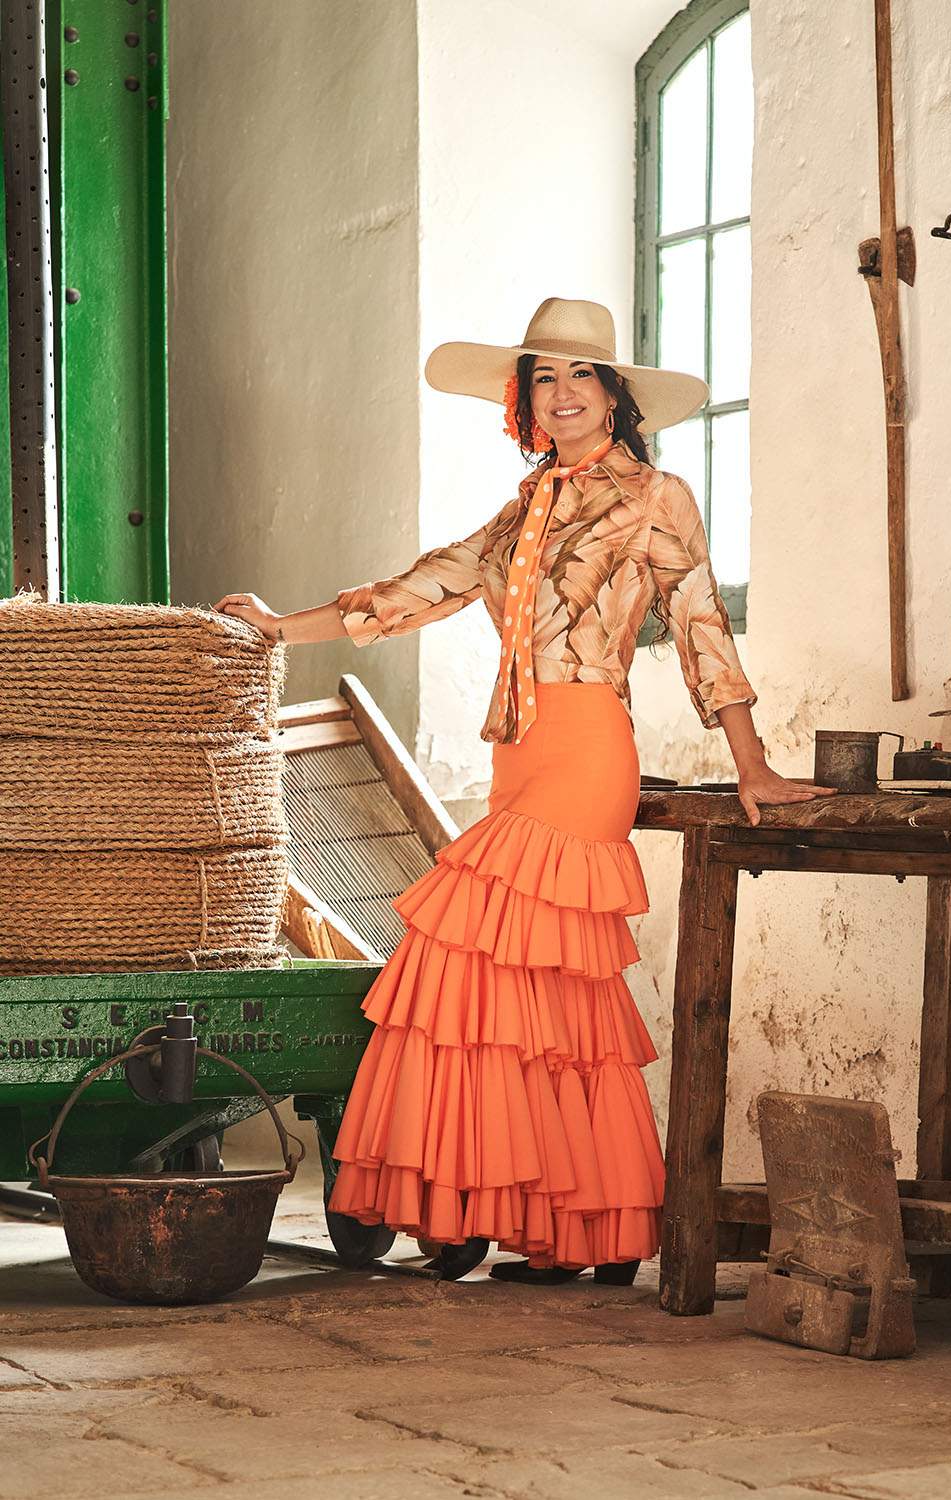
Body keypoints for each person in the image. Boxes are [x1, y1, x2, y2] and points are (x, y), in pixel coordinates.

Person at [217, 296, 835, 1287]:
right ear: (525, 400)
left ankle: (575, 1225)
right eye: (544, 376)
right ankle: (539, 1223)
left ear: (616, 394)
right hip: (518, 756)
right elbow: (419, 589)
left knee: (509, 986)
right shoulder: (523, 506)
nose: (562, 392)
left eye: (581, 374)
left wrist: (752, 762)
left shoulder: (656, 496)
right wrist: (277, 626)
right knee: (512, 1006)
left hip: (586, 748)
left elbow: (700, 623)